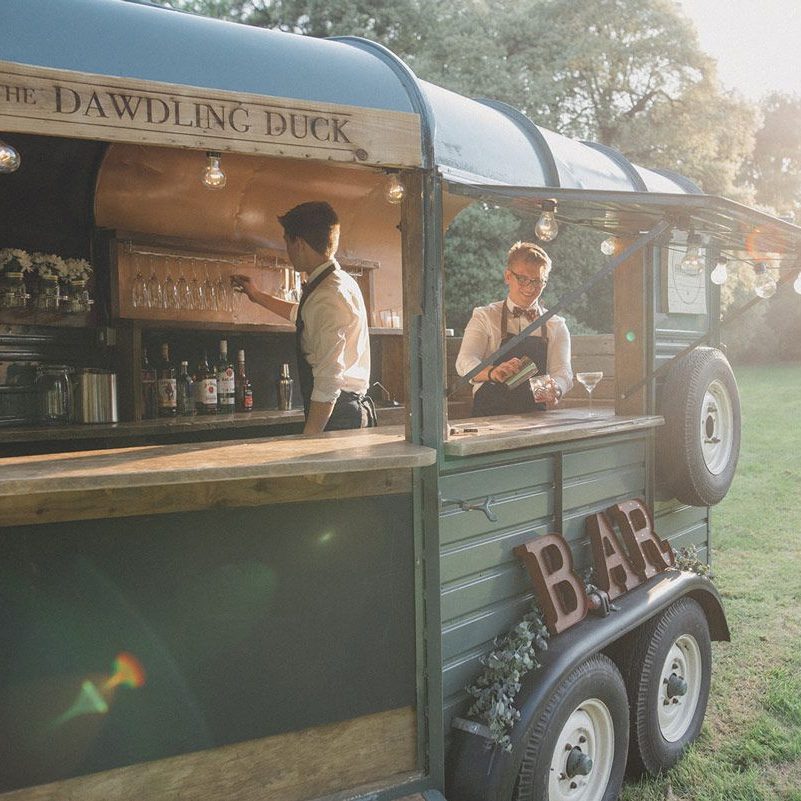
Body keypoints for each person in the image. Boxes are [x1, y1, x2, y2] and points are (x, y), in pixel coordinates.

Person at [231, 201, 375, 434]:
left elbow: (329, 381)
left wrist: (310, 438)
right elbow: (302, 315)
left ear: (298, 243)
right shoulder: (339, 283)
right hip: (341, 411)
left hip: (337, 416)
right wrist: (257, 296)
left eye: (286, 242)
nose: (286, 251)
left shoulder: (328, 296)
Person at [455, 241, 573, 417]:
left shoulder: (556, 324)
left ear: (545, 283)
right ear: (507, 276)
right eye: (523, 279)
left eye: (537, 281)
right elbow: (465, 360)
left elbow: (563, 372)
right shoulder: (485, 316)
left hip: (535, 419)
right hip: (488, 418)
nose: (530, 287)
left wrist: (556, 388)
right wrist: (493, 372)